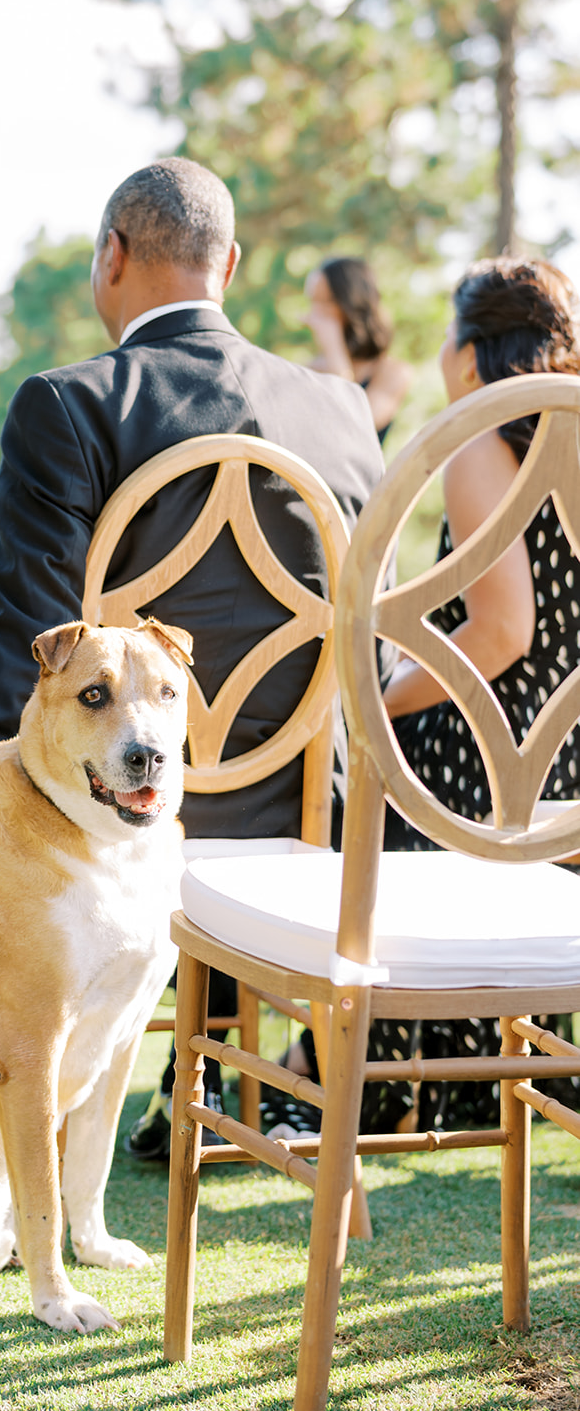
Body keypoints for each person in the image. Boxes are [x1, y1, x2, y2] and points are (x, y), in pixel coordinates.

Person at [0, 157, 386, 1156]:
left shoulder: (72, 404)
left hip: (124, 814)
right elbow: (364, 629)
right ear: (226, 264)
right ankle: (186, 1079)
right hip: (300, 816)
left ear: (110, 256)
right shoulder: (339, 411)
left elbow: (17, 638)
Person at [273, 257, 580, 1136]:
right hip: (566, 750)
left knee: (370, 771)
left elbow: (498, 636)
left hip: (500, 749)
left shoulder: (486, 437)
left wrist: (374, 708)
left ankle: (357, 1068)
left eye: (450, 337)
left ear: (474, 354)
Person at [304, 256, 410, 444]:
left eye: (325, 302)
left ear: (351, 304)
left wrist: (334, 348)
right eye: (313, 302)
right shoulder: (310, 370)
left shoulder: (392, 372)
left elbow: (356, 426)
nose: (314, 314)